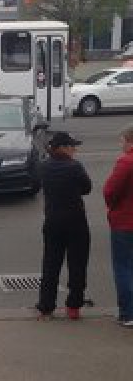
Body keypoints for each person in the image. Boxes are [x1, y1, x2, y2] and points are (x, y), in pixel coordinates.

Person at [36, 131, 92, 320]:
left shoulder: (44, 166)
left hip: (52, 220)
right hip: (76, 221)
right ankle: (74, 306)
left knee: (50, 264)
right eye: (71, 146)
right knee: (77, 264)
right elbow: (87, 188)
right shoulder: (75, 167)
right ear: (62, 148)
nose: (74, 149)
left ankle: (46, 307)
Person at [103, 124, 133, 327]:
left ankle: (128, 313)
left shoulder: (126, 161)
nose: (120, 144)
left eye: (122, 140)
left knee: (123, 267)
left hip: (125, 222)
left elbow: (110, 190)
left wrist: (113, 206)